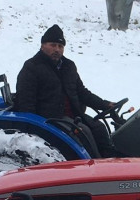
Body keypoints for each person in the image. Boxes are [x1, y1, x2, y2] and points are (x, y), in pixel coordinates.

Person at [15, 24, 116, 155]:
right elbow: (26, 102)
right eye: (52, 45)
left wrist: (105, 104)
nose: (57, 49)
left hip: (73, 115)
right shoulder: (32, 67)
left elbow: (82, 92)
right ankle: (95, 166)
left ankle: (111, 161)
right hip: (50, 118)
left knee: (99, 128)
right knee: (84, 133)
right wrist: (34, 128)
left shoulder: (68, 66)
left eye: (60, 46)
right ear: (42, 45)